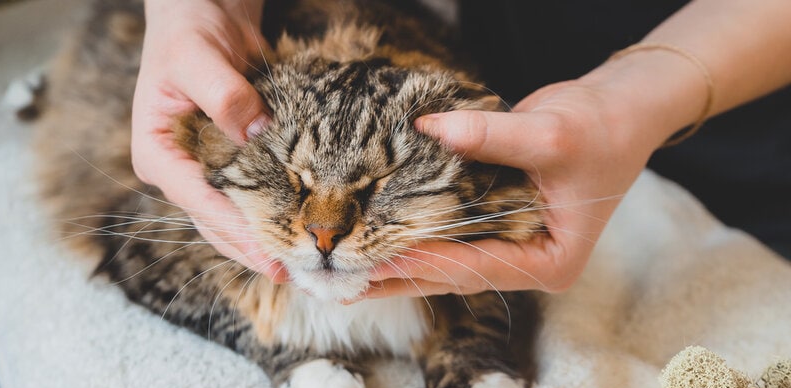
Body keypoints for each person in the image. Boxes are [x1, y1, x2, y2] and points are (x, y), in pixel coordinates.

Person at [132, 0, 791, 298]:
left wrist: (634, 101)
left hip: (757, 120)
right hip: (516, 72)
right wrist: (196, 7)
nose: (325, 228)